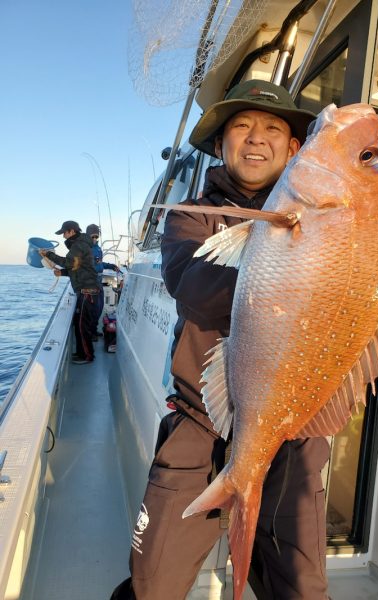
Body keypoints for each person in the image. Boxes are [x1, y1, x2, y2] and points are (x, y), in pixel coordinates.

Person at [111, 80, 330, 599]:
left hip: (290, 434)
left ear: (296, 149)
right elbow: (192, 284)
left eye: (274, 128)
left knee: (302, 589)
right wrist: (296, 275)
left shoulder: (326, 220)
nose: (257, 139)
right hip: (198, 428)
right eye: (242, 126)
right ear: (221, 144)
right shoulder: (191, 216)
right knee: (151, 585)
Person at [40, 220, 100, 364]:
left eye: (64, 233)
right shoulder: (81, 244)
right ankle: (82, 353)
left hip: (87, 291)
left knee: (82, 326)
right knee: (79, 323)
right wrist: (62, 273)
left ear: (72, 231)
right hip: (86, 290)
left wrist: (48, 254)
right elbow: (77, 268)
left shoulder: (79, 245)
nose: (63, 236)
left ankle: (87, 356)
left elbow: (68, 262)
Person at [85, 223, 121, 340]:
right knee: (93, 309)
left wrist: (111, 266)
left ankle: (94, 331)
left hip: (99, 281)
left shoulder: (98, 248)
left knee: (99, 308)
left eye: (96, 237)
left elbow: (100, 264)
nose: (95, 239)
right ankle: (90, 333)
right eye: (92, 237)